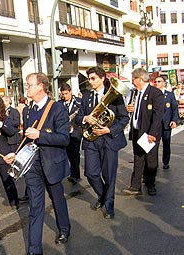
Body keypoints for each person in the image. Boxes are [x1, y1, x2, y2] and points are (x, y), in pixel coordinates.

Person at [4, 72, 71, 255]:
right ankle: (35, 249)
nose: (27, 87)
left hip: (52, 164)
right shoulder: (27, 110)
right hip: (32, 165)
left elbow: (64, 138)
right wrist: (15, 154)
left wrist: (41, 134)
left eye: (30, 84)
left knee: (58, 200)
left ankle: (64, 229)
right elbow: (26, 139)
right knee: (35, 205)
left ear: (41, 86)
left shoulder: (57, 109)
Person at [75, 66, 129, 219]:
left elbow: (124, 118)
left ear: (102, 78)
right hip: (91, 140)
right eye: (89, 78)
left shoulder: (115, 96)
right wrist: (85, 118)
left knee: (109, 174)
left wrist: (109, 130)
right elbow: (78, 117)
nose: (90, 81)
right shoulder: (86, 96)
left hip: (108, 140)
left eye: (93, 78)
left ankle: (109, 205)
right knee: (90, 173)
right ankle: (103, 195)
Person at [123, 68, 164, 196]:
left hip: (149, 133)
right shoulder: (135, 93)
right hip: (137, 131)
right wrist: (129, 109)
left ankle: (150, 184)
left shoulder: (155, 93)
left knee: (151, 159)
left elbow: (158, 116)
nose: (132, 82)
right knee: (138, 158)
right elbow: (134, 109)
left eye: (133, 79)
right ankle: (135, 186)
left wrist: (152, 133)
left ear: (140, 79)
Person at [59, 83, 83, 185]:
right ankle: (72, 173)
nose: (64, 96)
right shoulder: (59, 104)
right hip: (65, 132)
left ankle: (76, 175)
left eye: (66, 93)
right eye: (63, 94)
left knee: (75, 154)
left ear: (70, 92)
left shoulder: (79, 102)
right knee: (68, 154)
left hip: (76, 132)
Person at [154, 76, 179, 169]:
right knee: (154, 145)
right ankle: (154, 164)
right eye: (155, 81)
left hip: (166, 123)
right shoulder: (152, 95)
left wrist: (174, 120)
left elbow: (174, 108)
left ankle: (166, 162)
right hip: (155, 125)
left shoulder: (169, 95)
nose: (157, 83)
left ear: (164, 83)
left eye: (159, 81)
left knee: (166, 144)